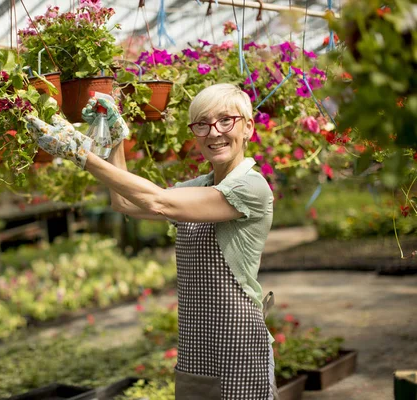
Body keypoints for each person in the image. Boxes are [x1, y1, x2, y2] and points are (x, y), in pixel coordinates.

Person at [26, 83, 277, 400]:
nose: (214, 133)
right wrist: (117, 142)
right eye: (202, 124)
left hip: (239, 340)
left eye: (226, 120)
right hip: (196, 340)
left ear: (248, 128)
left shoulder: (251, 187)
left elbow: (160, 202)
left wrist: (82, 156)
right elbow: (127, 204)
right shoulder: (199, 185)